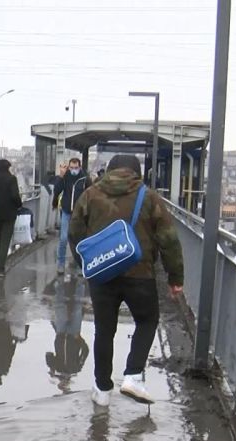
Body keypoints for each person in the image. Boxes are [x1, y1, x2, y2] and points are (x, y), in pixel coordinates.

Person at [69, 154, 184, 407]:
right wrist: (175, 278)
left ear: (109, 171)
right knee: (147, 320)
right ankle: (133, 375)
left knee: (104, 330)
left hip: (102, 274)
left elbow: (74, 234)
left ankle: (102, 390)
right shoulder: (149, 196)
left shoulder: (90, 195)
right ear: (137, 171)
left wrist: (89, 266)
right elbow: (169, 239)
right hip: (140, 273)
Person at [52, 157, 90, 272]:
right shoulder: (66, 177)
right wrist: (61, 176)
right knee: (63, 239)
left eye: (76, 167)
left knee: (79, 240)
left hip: (79, 214)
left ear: (80, 167)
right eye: (72, 167)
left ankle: (80, 265)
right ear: (69, 167)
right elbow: (57, 190)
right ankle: (61, 264)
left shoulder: (85, 179)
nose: (74, 170)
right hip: (66, 211)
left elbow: (90, 194)